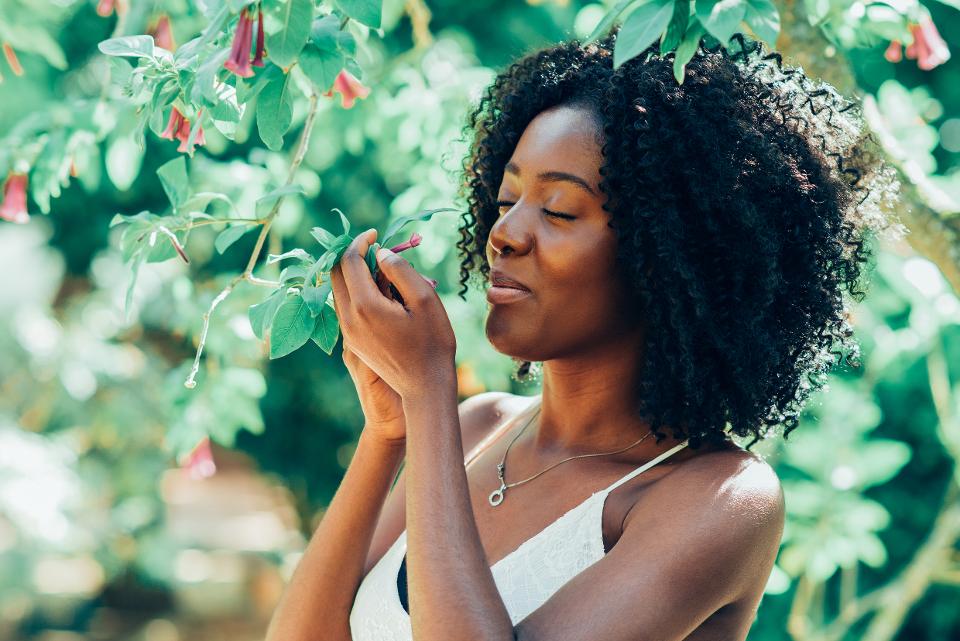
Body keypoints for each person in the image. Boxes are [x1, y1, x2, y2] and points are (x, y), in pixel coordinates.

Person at [265, 25, 898, 641]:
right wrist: (389, 431)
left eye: (559, 210)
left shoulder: (718, 498)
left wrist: (429, 393)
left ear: (668, 255)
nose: (503, 233)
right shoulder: (476, 429)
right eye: (506, 197)